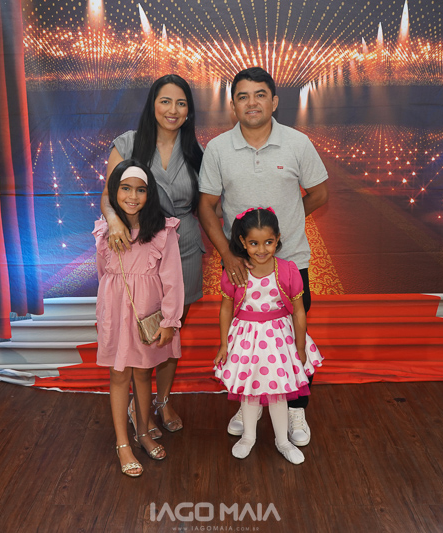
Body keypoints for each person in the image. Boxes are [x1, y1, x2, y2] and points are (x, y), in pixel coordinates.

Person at [198, 67, 329, 446]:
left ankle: (296, 407)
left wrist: (282, 229)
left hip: (292, 262)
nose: (251, 103)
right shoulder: (218, 149)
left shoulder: (298, 143)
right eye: (242, 96)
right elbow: (206, 206)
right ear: (233, 105)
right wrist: (230, 253)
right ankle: (249, 405)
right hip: (240, 267)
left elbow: (319, 194)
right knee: (247, 340)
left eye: (259, 95)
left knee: (291, 336)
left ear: (274, 101)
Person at [102, 74, 204, 438]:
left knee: (168, 330)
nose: (172, 110)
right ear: (152, 104)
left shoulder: (196, 152)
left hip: (183, 248)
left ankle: (162, 401)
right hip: (138, 250)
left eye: (181, 103)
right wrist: (115, 221)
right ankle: (136, 404)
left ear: (189, 110)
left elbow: (208, 203)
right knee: (137, 331)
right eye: (165, 101)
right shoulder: (129, 143)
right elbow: (108, 196)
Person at [94, 160, 184, 477]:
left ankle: (143, 431)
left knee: (144, 374)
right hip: (115, 314)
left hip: (147, 314)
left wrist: (169, 321)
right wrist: (104, 315)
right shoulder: (104, 231)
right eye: (125, 188)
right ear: (115, 191)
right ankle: (123, 443)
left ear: (150, 193)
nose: (133, 196)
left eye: (140, 190)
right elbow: (103, 275)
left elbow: (173, 279)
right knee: (119, 375)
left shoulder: (162, 232)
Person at [213, 208, 323, 464]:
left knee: (279, 393)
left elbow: (298, 311)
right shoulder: (236, 271)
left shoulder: (287, 270)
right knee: (249, 392)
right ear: (243, 242)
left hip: (278, 340)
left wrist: (300, 346)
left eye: (268, 242)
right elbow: (226, 308)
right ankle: (248, 437)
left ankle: (282, 441)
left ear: (278, 239)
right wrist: (223, 344)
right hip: (246, 339)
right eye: (254, 243)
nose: (261, 249)